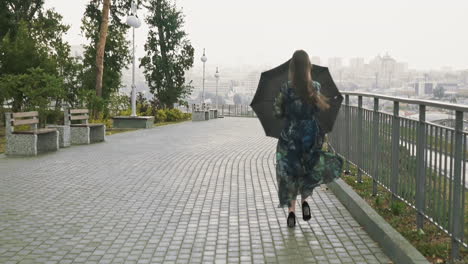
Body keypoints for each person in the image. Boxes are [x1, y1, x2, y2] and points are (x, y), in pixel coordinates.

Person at [273, 50, 330, 228]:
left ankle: (291, 213)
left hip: (290, 137)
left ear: (292, 68)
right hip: (310, 136)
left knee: (290, 174)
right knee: (306, 171)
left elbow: (278, 112)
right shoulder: (316, 87)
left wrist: (288, 112)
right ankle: (305, 202)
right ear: (308, 67)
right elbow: (318, 110)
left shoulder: (286, 88)